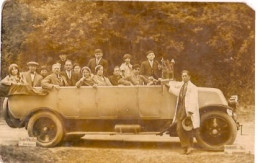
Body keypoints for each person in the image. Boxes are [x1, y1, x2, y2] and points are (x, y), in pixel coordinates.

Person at [166, 70, 199, 155]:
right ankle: (185, 146)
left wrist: (190, 112)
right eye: (182, 76)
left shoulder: (193, 87)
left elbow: (193, 100)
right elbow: (178, 93)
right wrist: (169, 87)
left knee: (188, 129)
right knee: (179, 129)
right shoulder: (182, 86)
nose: (184, 77)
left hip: (188, 110)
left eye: (185, 76)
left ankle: (189, 148)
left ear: (189, 77)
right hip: (180, 109)